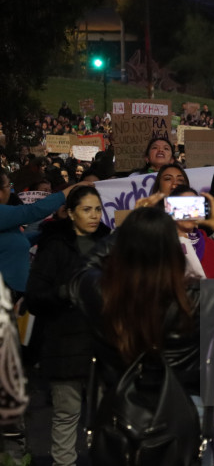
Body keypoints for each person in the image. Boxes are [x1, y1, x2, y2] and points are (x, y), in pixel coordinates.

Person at [68, 194, 214, 464]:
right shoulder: (193, 298)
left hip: (119, 412)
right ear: (173, 249)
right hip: (184, 410)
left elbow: (81, 270)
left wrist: (129, 228)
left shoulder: (102, 294)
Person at [26, 187, 110, 466]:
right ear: (71, 213)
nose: (94, 215)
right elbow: (35, 297)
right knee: (67, 415)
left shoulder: (109, 245)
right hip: (64, 345)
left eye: (97, 209)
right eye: (87, 209)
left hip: (103, 346)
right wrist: (64, 293)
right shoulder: (55, 247)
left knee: (105, 417)